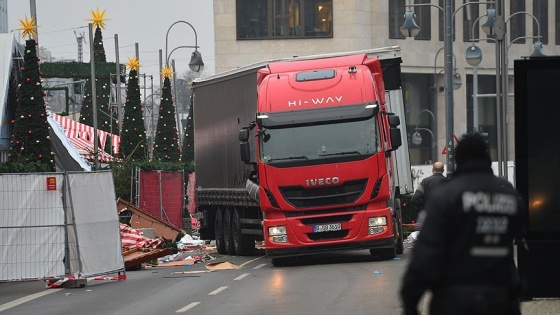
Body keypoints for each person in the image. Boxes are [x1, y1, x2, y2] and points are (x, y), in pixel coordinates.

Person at [400, 134, 524, 315]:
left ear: (458, 160)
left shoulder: (445, 197)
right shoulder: (508, 194)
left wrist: (410, 303)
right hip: (501, 299)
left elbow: (424, 256)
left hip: (454, 301)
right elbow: (522, 235)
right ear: (486, 157)